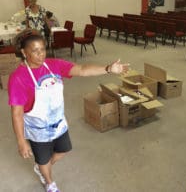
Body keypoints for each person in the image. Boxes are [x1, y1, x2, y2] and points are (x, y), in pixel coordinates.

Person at [8, 29, 129, 192]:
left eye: (43, 49)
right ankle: (49, 182)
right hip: (39, 130)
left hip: (58, 123)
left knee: (64, 150)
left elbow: (82, 69)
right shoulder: (18, 78)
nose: (41, 54)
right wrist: (21, 141)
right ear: (23, 52)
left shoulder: (53, 65)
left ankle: (41, 166)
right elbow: (16, 114)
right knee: (44, 162)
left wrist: (108, 68)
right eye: (35, 51)